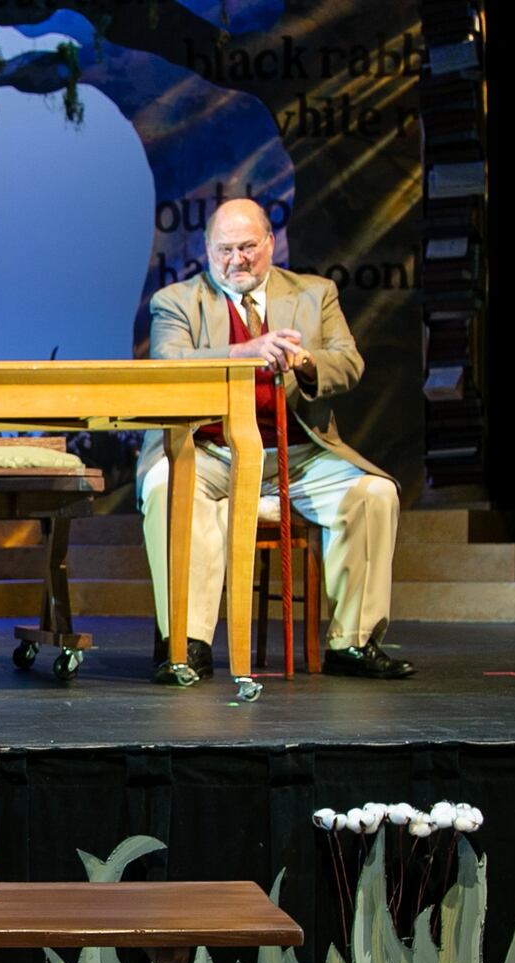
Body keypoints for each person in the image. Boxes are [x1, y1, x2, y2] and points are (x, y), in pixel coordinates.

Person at [137, 198, 414, 683]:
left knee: (375, 493)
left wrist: (305, 363)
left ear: (270, 243)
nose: (237, 260)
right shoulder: (177, 301)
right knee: (166, 486)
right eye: (225, 249)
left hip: (299, 456)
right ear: (206, 250)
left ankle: (353, 642)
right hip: (210, 453)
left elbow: (349, 362)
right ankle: (186, 644)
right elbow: (170, 364)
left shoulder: (314, 293)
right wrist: (246, 352)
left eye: (247, 247)